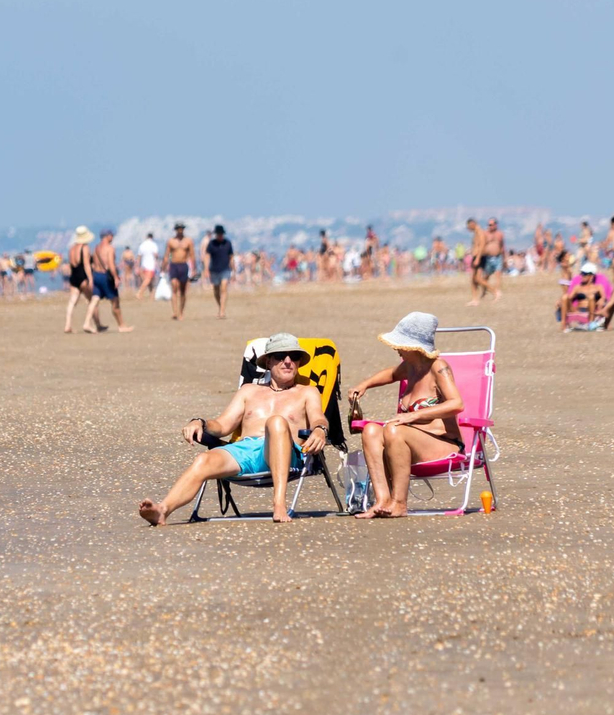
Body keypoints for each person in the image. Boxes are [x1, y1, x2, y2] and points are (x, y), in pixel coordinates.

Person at [137, 333, 328, 525]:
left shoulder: (307, 392)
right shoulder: (249, 390)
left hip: (284, 453)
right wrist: (199, 422)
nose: (287, 361)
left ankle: (279, 504)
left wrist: (320, 429)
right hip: (245, 451)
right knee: (204, 459)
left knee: (276, 422)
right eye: (280, 356)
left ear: (299, 363)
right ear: (269, 362)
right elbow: (223, 425)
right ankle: (162, 511)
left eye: (293, 357)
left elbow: (318, 418)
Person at [348, 312, 464, 518]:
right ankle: (382, 501)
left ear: (415, 347)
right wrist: (364, 385)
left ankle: (399, 503)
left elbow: (457, 404)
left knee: (394, 430)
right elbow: (391, 374)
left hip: (444, 444)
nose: (396, 348)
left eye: (400, 344)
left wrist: (412, 417)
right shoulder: (409, 367)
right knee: (371, 431)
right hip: (409, 442)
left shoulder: (438, 367)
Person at [89, 229, 134, 333]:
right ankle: (121, 326)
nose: (113, 237)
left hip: (96, 275)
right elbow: (111, 264)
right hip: (105, 276)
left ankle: (97, 325)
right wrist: (115, 277)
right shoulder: (110, 248)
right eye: (112, 235)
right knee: (115, 301)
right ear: (107, 236)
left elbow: (92, 262)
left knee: (95, 300)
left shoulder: (96, 248)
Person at [63, 226, 97, 333]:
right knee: (93, 300)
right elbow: (86, 265)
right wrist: (91, 279)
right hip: (83, 277)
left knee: (72, 302)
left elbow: (71, 265)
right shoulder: (85, 248)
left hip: (73, 277)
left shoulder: (71, 249)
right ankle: (88, 323)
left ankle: (67, 325)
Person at [161, 222, 196, 321]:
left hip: (183, 265)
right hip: (174, 265)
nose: (180, 230)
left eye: (181, 228)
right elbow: (167, 255)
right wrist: (163, 267)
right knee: (174, 286)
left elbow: (192, 255)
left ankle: (181, 312)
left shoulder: (188, 241)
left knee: (183, 290)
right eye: (178, 229)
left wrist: (194, 269)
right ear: (176, 230)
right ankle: (174, 312)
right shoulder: (171, 241)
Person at [557, 262, 606, 330]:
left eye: (584, 274)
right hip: (577, 310)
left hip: (591, 310)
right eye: (581, 273)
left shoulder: (598, 287)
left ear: (591, 276)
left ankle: (591, 323)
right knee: (565, 297)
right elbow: (569, 297)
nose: (582, 276)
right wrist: (561, 301)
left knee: (591, 297)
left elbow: (604, 298)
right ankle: (563, 324)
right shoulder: (578, 287)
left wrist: (602, 299)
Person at [205, 224, 234, 319]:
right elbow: (207, 256)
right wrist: (206, 269)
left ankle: (222, 311)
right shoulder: (211, 244)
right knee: (216, 291)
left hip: (225, 269)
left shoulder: (228, 243)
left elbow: (231, 257)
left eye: (221, 234)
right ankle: (220, 307)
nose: (220, 236)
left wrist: (233, 269)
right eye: (218, 234)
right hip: (214, 270)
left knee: (224, 288)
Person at [481, 218, 506, 302]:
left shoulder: (500, 234)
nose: (490, 226)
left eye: (491, 224)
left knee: (498, 275)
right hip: (488, 258)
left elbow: (502, 246)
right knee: (485, 277)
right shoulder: (485, 234)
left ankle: (497, 293)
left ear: (496, 225)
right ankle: (484, 292)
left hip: (498, 257)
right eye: (489, 225)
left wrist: (504, 258)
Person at [464, 219, 488, 306]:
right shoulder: (476, 232)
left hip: (479, 257)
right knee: (474, 280)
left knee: (477, 279)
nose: (468, 229)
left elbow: (481, 246)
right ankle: (475, 299)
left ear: (472, 224)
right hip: (476, 256)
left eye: (468, 226)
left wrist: (477, 258)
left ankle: (495, 291)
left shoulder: (480, 232)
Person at [136, 232, 160, 298]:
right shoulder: (153, 245)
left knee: (149, 280)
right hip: (150, 265)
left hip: (143, 265)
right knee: (148, 280)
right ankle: (140, 292)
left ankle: (152, 294)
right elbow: (156, 255)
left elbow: (139, 257)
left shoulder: (142, 245)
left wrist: (137, 267)